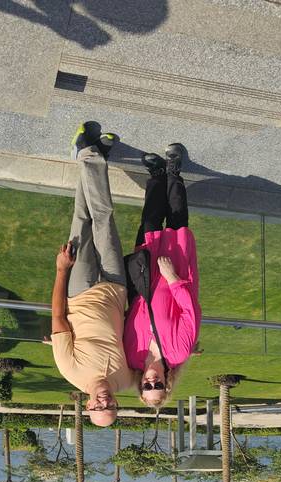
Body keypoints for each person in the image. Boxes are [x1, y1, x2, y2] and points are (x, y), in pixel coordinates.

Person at [50, 123, 134, 427]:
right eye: (111, 406)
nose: (105, 401)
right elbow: (157, 374)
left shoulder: (71, 372)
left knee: (82, 220)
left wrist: (61, 270)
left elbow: (58, 319)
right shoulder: (126, 380)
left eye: (99, 407)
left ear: (88, 406)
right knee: (104, 219)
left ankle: (91, 156)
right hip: (116, 286)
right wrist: (184, 356)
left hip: (79, 288)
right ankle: (89, 156)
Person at [123, 144, 201, 408]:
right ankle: (174, 172)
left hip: (144, 277)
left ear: (141, 385)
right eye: (158, 387)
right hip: (173, 274)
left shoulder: (132, 357)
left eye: (147, 387)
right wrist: (173, 278)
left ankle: (156, 175)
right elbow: (190, 312)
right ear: (167, 384)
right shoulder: (179, 352)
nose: (152, 382)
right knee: (177, 220)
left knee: (150, 223)